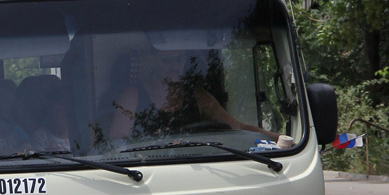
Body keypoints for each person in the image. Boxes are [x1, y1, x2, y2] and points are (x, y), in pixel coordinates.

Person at [107, 51, 282, 141]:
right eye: (167, 61)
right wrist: (152, 141)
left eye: (179, 60)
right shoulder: (133, 96)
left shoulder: (198, 96)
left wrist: (274, 137)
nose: (174, 66)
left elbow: (236, 127)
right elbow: (117, 144)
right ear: (153, 61)